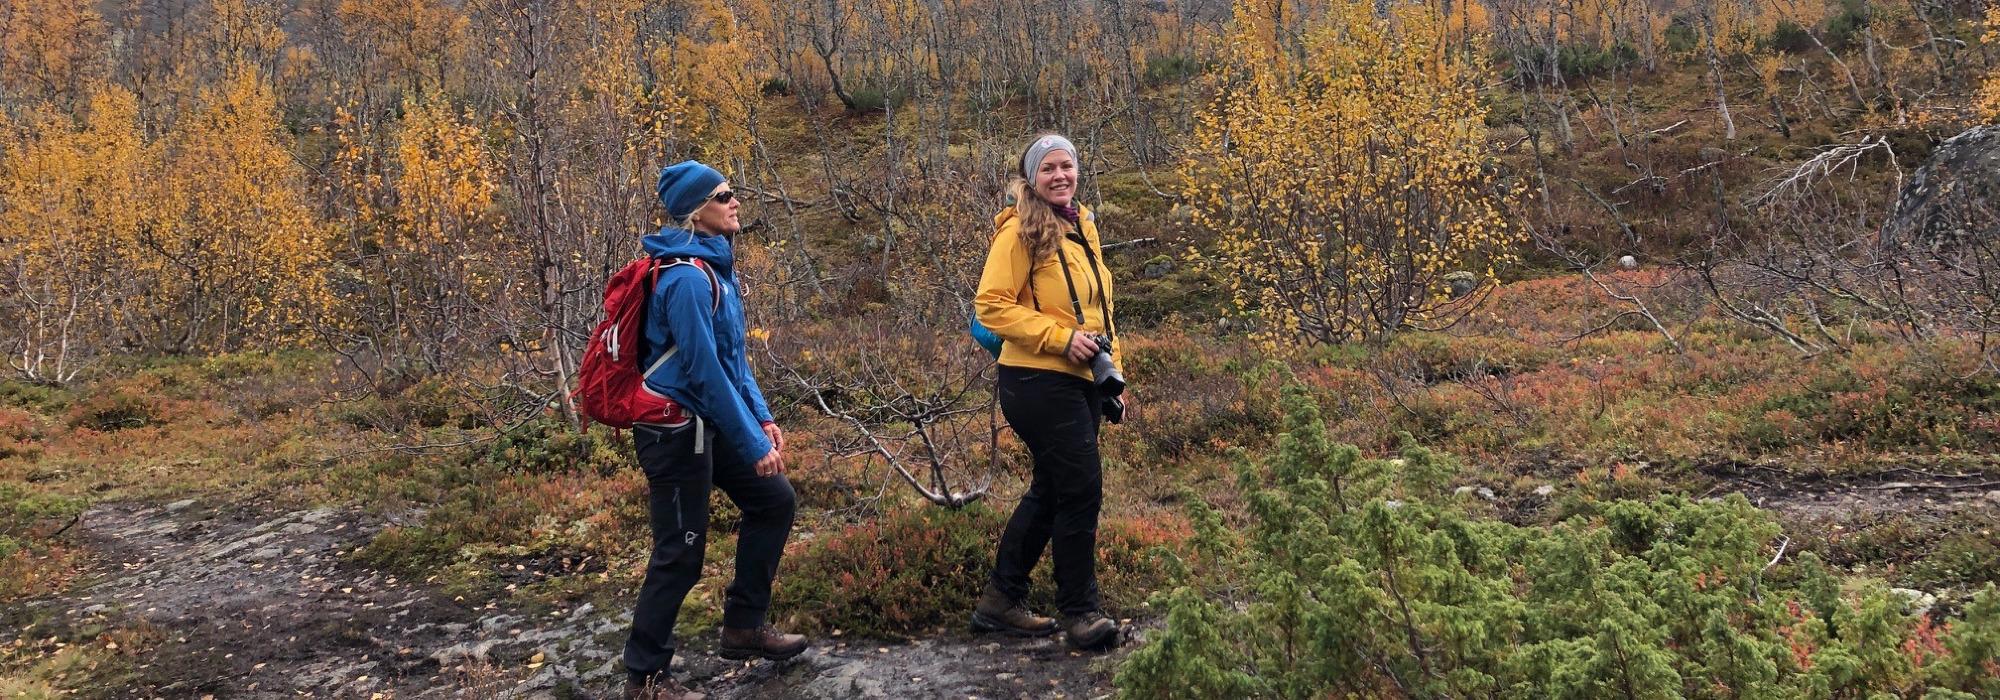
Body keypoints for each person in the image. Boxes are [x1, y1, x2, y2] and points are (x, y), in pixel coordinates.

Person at [622, 160, 806, 700]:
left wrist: (763, 417)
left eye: (732, 192)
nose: (735, 201)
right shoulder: (684, 279)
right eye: (724, 195)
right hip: (673, 428)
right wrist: (750, 443)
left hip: (705, 420)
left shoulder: (715, 270)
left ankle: (743, 627)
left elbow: (732, 361)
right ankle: (645, 677)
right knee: (680, 549)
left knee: (773, 501)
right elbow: (702, 372)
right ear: (695, 210)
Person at [971, 133, 1129, 651]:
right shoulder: (1019, 231)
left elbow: (1100, 312)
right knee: (1081, 489)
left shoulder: (1082, 226)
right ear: (1031, 178)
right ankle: (1080, 612)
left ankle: (1001, 600)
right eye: (1049, 169)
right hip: (1036, 380)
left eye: (1068, 166)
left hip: (1081, 381)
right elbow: (990, 305)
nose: (1060, 176)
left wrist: (1114, 377)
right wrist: (1061, 339)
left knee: (1054, 489)